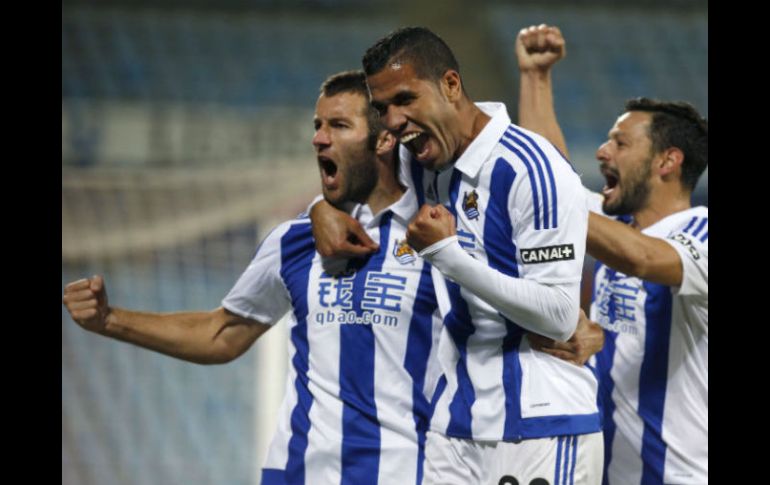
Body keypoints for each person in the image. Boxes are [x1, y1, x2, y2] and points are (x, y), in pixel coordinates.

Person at [63, 70, 444, 485]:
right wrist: (109, 319)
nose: (319, 138)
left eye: (338, 125)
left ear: (384, 139)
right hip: (294, 473)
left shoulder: (437, 235)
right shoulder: (294, 240)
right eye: (317, 125)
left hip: (404, 473)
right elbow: (223, 333)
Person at [311, 27, 603, 485]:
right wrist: (321, 209)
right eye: (383, 108)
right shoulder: (421, 160)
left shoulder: (531, 169)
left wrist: (448, 256)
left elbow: (560, 317)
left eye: (406, 99)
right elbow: (354, 176)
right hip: (455, 425)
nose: (394, 120)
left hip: (539, 425)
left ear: (450, 85)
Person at [515, 24, 708, 485]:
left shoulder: (700, 234)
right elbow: (550, 175)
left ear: (667, 161)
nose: (602, 152)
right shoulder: (617, 224)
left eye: (620, 143)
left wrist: (550, 207)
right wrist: (536, 77)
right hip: (603, 469)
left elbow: (643, 260)